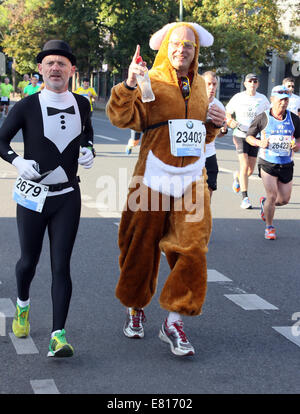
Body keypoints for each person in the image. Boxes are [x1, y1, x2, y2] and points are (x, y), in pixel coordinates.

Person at [106, 22, 225, 357]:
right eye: (176, 44)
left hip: (191, 178)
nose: (181, 50)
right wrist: (129, 84)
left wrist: (214, 124)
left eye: (188, 45)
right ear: (165, 47)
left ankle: (174, 318)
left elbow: (204, 136)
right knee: (138, 245)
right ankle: (134, 305)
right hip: (152, 177)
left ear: (196, 51)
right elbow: (120, 117)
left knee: (194, 246)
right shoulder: (150, 79)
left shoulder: (202, 86)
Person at [0, 40, 95, 357]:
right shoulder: (26, 106)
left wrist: (88, 149)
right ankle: (23, 304)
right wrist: (17, 161)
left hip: (68, 196)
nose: (56, 67)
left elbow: (87, 132)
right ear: (40, 69)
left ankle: (58, 336)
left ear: (72, 70)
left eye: (62, 63)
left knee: (61, 266)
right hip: (32, 197)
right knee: (28, 262)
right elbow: (0, 141)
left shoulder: (82, 103)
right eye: (50, 63)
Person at [246, 85, 300, 240]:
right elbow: (249, 136)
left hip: (286, 163)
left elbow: (299, 138)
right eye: (280, 100)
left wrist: (296, 146)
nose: (283, 103)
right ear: (272, 99)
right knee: (272, 195)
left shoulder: (293, 119)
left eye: (286, 100)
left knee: (283, 200)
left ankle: (265, 205)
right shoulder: (262, 118)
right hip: (268, 162)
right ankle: (269, 227)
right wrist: (259, 143)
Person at [226, 73, 270, 209]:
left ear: (258, 84)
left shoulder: (262, 99)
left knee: (250, 170)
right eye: (250, 81)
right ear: (245, 83)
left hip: (254, 137)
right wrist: (230, 121)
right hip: (240, 134)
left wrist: (264, 135)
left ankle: (237, 177)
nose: (252, 83)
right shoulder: (238, 97)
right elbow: (227, 112)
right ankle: (245, 198)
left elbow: (268, 118)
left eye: (255, 81)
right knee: (244, 165)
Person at [202, 71, 228, 198]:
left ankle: (206, 217)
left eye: (214, 84)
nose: (211, 87)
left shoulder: (219, 106)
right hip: (191, 153)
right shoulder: (192, 102)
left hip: (209, 153)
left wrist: (222, 130)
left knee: (208, 191)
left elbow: (220, 133)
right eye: (208, 84)